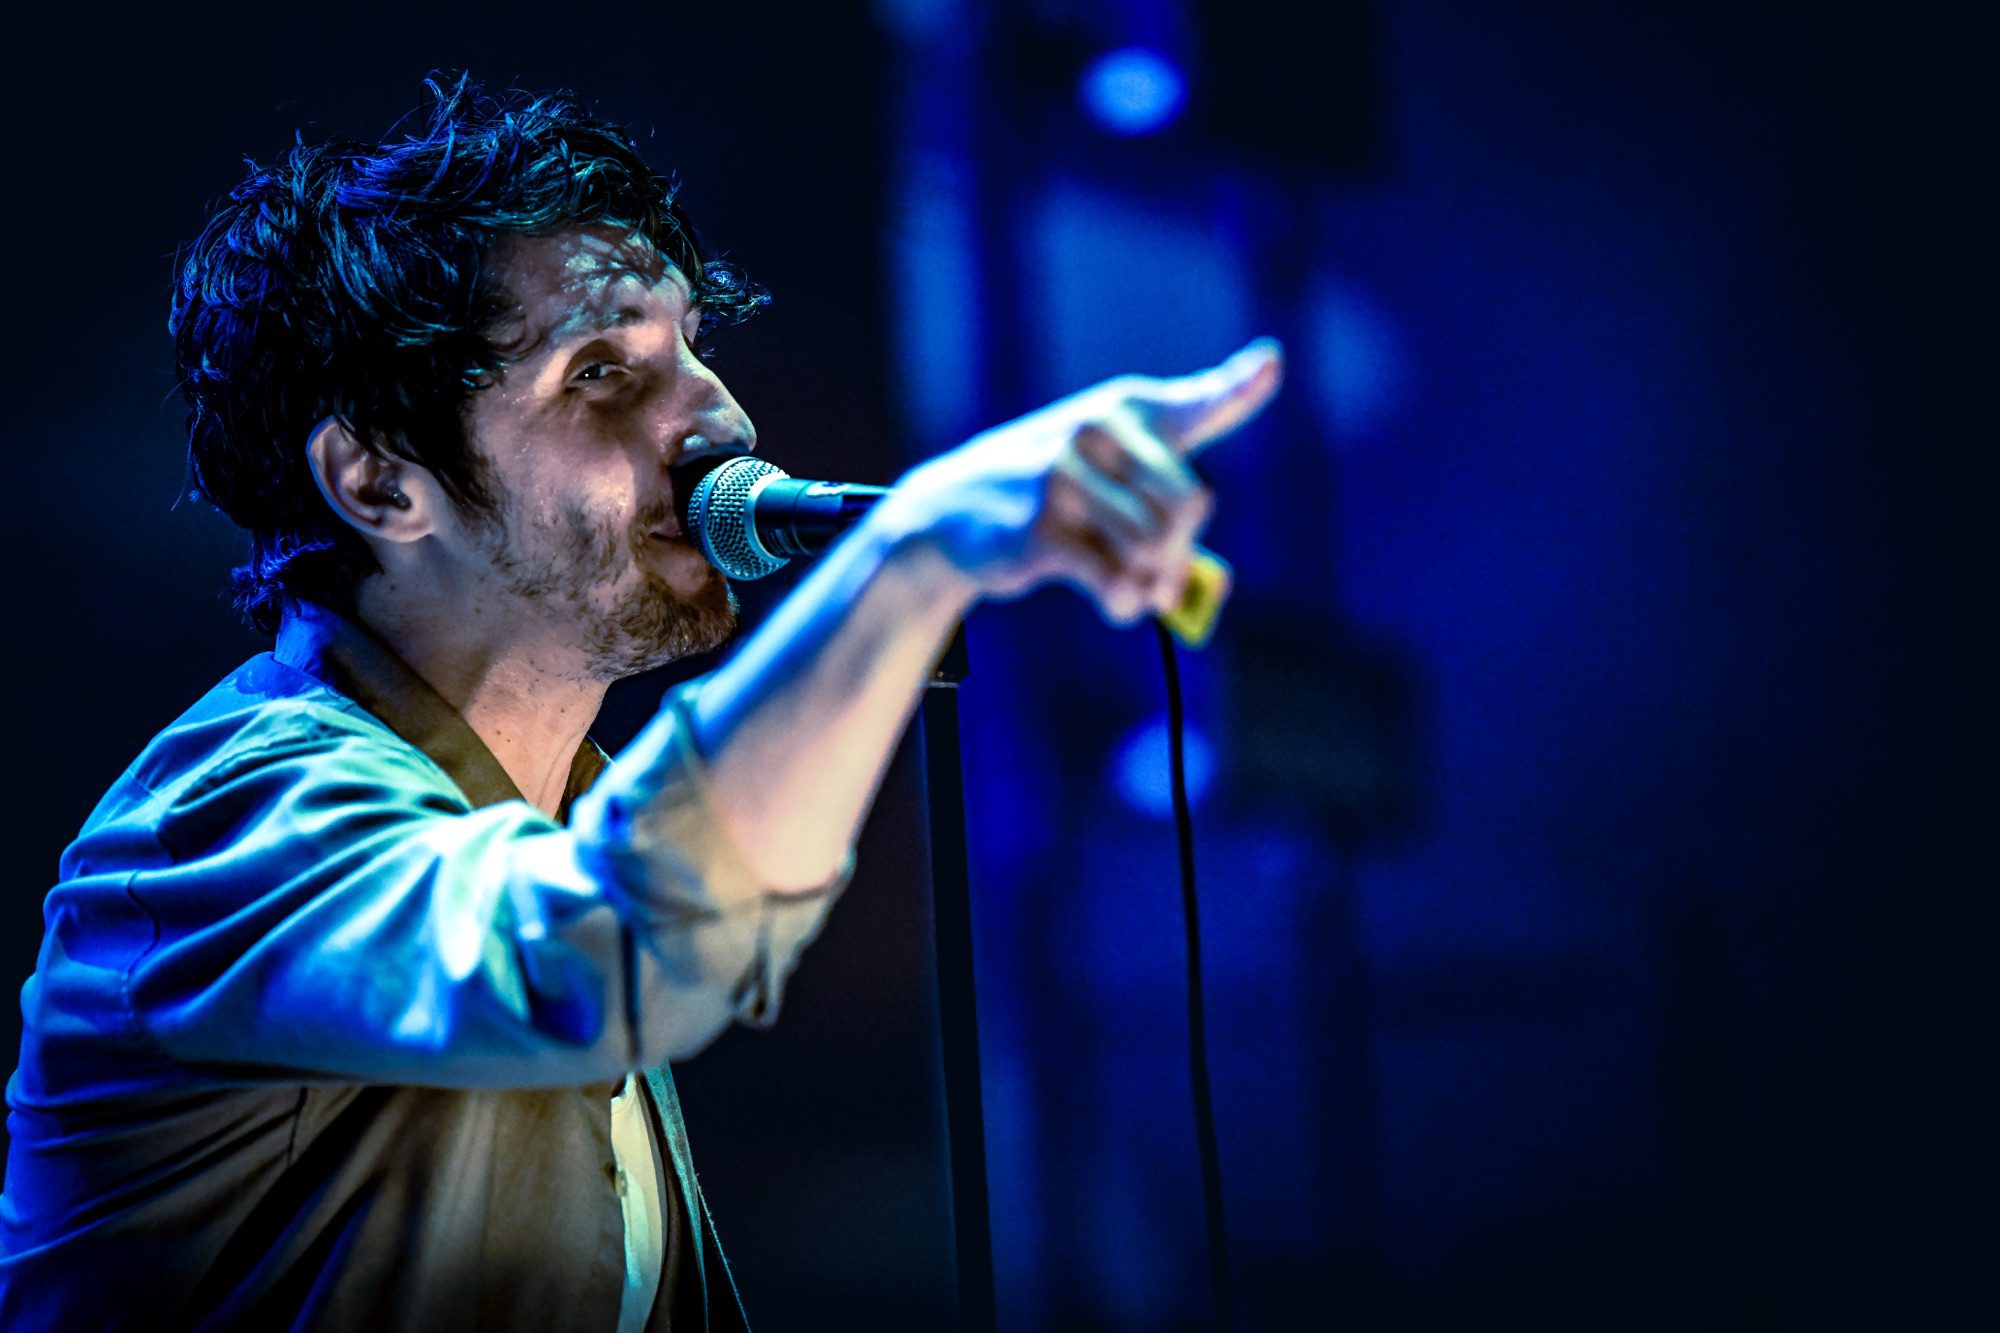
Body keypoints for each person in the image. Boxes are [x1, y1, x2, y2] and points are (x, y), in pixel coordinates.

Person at [0, 78, 1280, 1330]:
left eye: (693, 347)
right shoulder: (227, 821)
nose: (718, 417)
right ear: (379, 481)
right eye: (601, 372)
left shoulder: (574, 808)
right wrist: (912, 559)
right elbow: (602, 950)